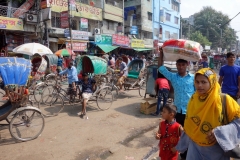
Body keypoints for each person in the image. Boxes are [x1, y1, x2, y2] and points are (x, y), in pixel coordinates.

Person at [176, 68, 240, 160]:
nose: (199, 85)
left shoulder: (224, 100)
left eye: (203, 82)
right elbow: (189, 124)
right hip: (195, 149)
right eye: (197, 82)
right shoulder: (194, 99)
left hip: (217, 151)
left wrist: (220, 133)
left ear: (212, 82)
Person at [158, 48, 195, 159]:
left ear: (187, 65)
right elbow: (161, 68)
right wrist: (161, 54)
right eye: (178, 65)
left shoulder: (193, 78)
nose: (180, 67)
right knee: (175, 134)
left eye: (183, 65)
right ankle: (174, 154)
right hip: (176, 112)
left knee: (188, 135)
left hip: (189, 112)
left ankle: (185, 155)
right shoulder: (173, 77)